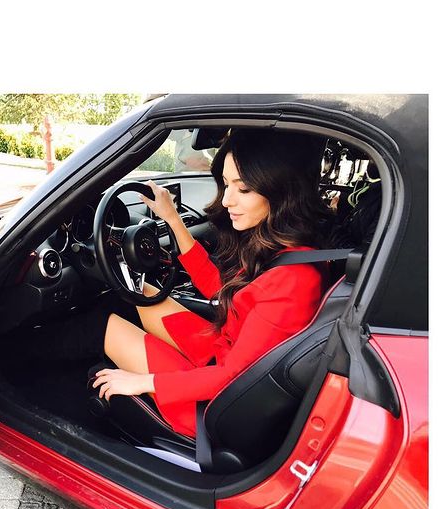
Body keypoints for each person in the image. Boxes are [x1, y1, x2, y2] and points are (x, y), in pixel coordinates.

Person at [91, 129, 331, 439]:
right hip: (223, 350)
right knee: (140, 293)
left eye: (242, 189)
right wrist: (172, 219)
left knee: (102, 325)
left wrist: (142, 381)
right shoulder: (287, 249)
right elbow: (222, 290)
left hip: (216, 405)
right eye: (226, 184)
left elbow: (235, 378)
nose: (227, 200)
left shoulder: (293, 280)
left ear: (280, 191)